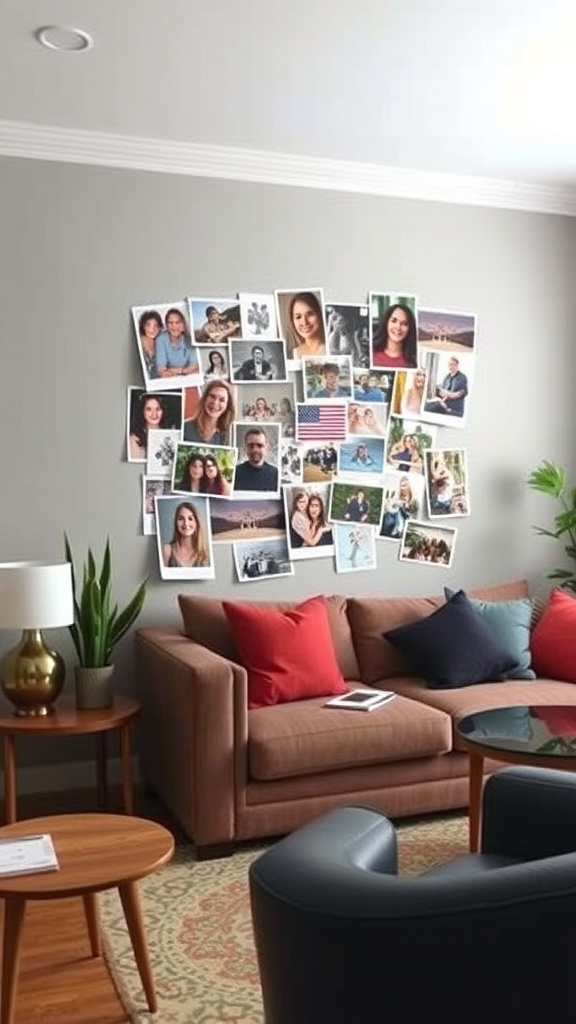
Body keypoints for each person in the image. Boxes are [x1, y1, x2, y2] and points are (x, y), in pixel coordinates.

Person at [183, 380, 236, 444]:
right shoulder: (184, 427)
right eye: (212, 397)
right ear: (205, 398)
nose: (215, 403)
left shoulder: (229, 434)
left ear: (227, 405)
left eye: (222, 400)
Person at [162, 501, 209, 568]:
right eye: (181, 519)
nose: (186, 523)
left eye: (190, 519)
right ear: (176, 523)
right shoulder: (167, 550)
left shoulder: (204, 552)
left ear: (197, 523)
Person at [372, 303, 417, 368]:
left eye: (404, 324)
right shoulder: (371, 354)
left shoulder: (414, 361)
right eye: (394, 321)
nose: (398, 327)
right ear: (386, 323)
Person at [155, 308, 197, 379]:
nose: (174, 326)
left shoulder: (189, 339)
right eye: (170, 323)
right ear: (167, 325)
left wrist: (179, 371)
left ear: (183, 324)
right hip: (168, 381)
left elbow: (195, 367)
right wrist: (185, 371)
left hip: (188, 379)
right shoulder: (161, 340)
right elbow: (161, 370)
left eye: (177, 322)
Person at [234, 427, 279, 492]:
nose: (255, 450)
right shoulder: (234, 474)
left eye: (259, 445)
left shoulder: (275, 474)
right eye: (251, 445)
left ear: (266, 447)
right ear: (245, 448)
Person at [287, 292, 326, 360]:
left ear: (319, 315)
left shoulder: (334, 350)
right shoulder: (290, 355)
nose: (304, 322)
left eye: (310, 314)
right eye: (298, 317)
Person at [129, 393, 165, 460]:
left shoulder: (169, 435)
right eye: (149, 409)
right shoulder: (134, 440)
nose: (154, 414)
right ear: (142, 411)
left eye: (158, 409)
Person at [137, 309, 163, 379]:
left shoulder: (160, 343)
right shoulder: (138, 342)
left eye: (156, 326)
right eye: (148, 325)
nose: (152, 329)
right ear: (143, 326)